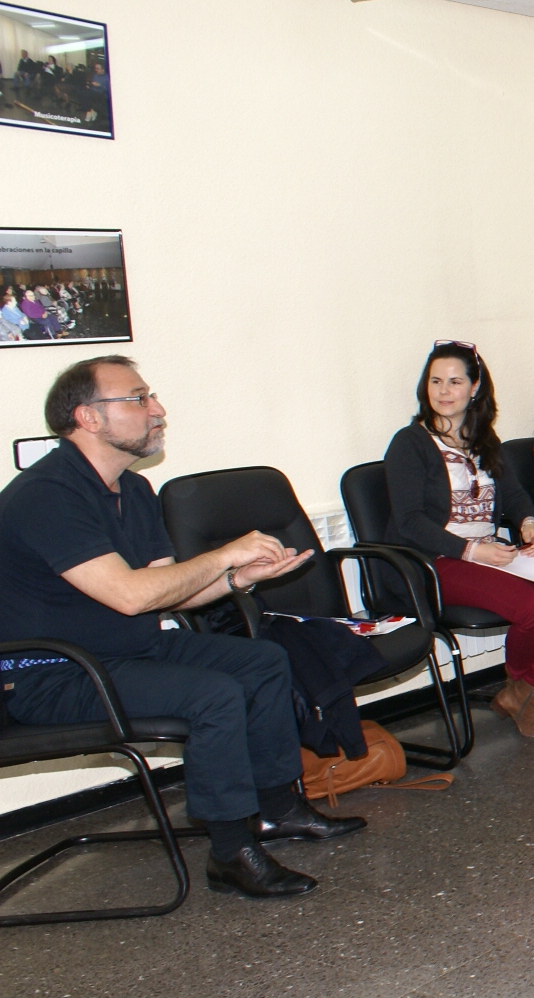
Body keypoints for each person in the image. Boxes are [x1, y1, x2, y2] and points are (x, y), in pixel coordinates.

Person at [0, 356, 362, 899]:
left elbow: (168, 590)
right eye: (138, 398)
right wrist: (224, 554)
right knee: (212, 695)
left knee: (263, 660)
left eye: (151, 396)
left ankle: (277, 809)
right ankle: (230, 853)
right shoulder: (46, 496)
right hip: (54, 674)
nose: (157, 409)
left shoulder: (132, 489)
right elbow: (130, 595)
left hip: (128, 650)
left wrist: (238, 578)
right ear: (88, 417)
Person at [383, 342, 534, 739]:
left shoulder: (484, 439)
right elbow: (410, 523)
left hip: (485, 551)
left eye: (455, 381)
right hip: (435, 561)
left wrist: (529, 523)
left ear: (475, 387)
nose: (443, 391)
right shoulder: (410, 443)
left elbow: (513, 494)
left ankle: (528, 691)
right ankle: (523, 689)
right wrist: (473, 550)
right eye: (435, 381)